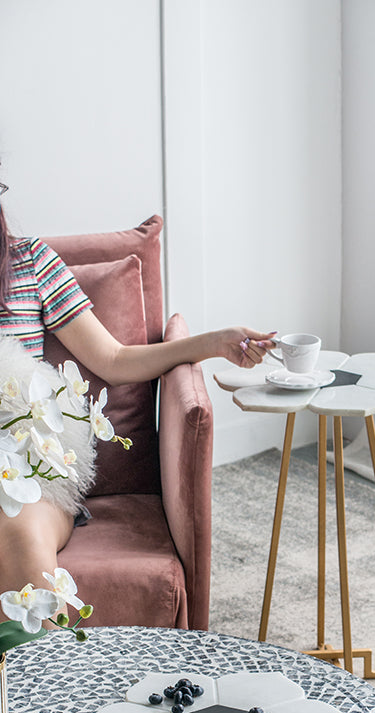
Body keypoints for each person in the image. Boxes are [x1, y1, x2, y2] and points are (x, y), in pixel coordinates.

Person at [0, 181, 274, 615]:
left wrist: (215, 342)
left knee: (17, 533)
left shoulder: (29, 261)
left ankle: (47, 680)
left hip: (24, 475)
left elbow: (114, 358)